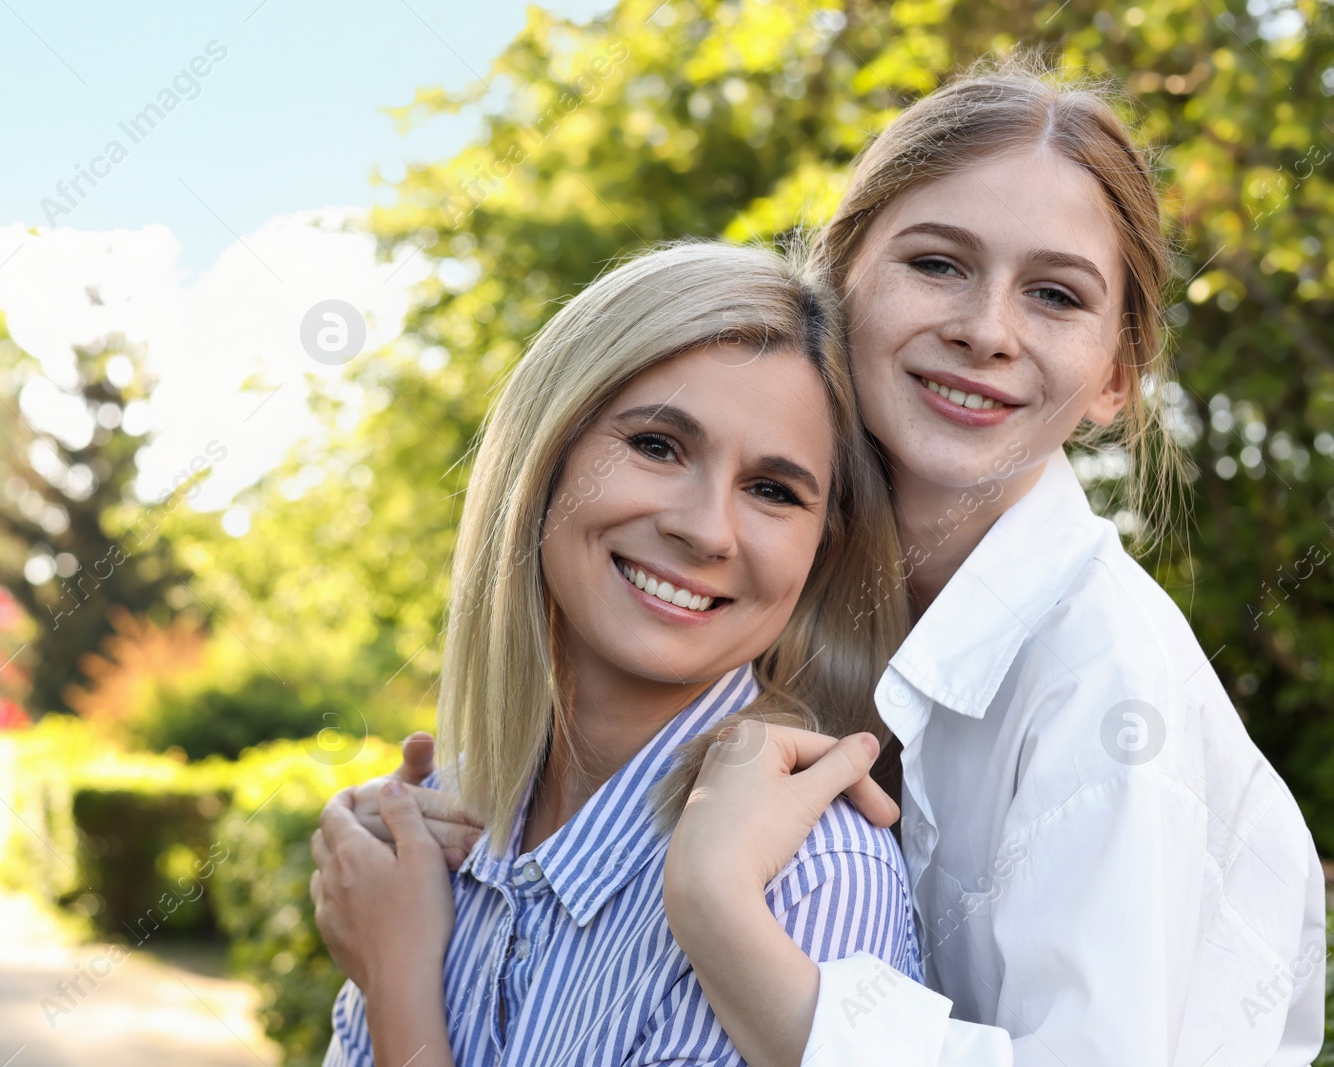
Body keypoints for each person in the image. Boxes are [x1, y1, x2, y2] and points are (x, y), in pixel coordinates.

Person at [335, 63, 1327, 1065]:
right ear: (838, 283)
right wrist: (496, 823)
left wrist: (715, 909)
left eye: (1054, 294)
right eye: (937, 264)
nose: (984, 328)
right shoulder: (804, 588)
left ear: (1114, 375)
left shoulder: (1104, 682)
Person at [310, 239, 922, 1067]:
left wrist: (397, 981)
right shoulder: (447, 818)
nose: (706, 529)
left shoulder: (813, 877)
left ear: (822, 546)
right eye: (659, 445)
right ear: (548, 452)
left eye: (773, 490)